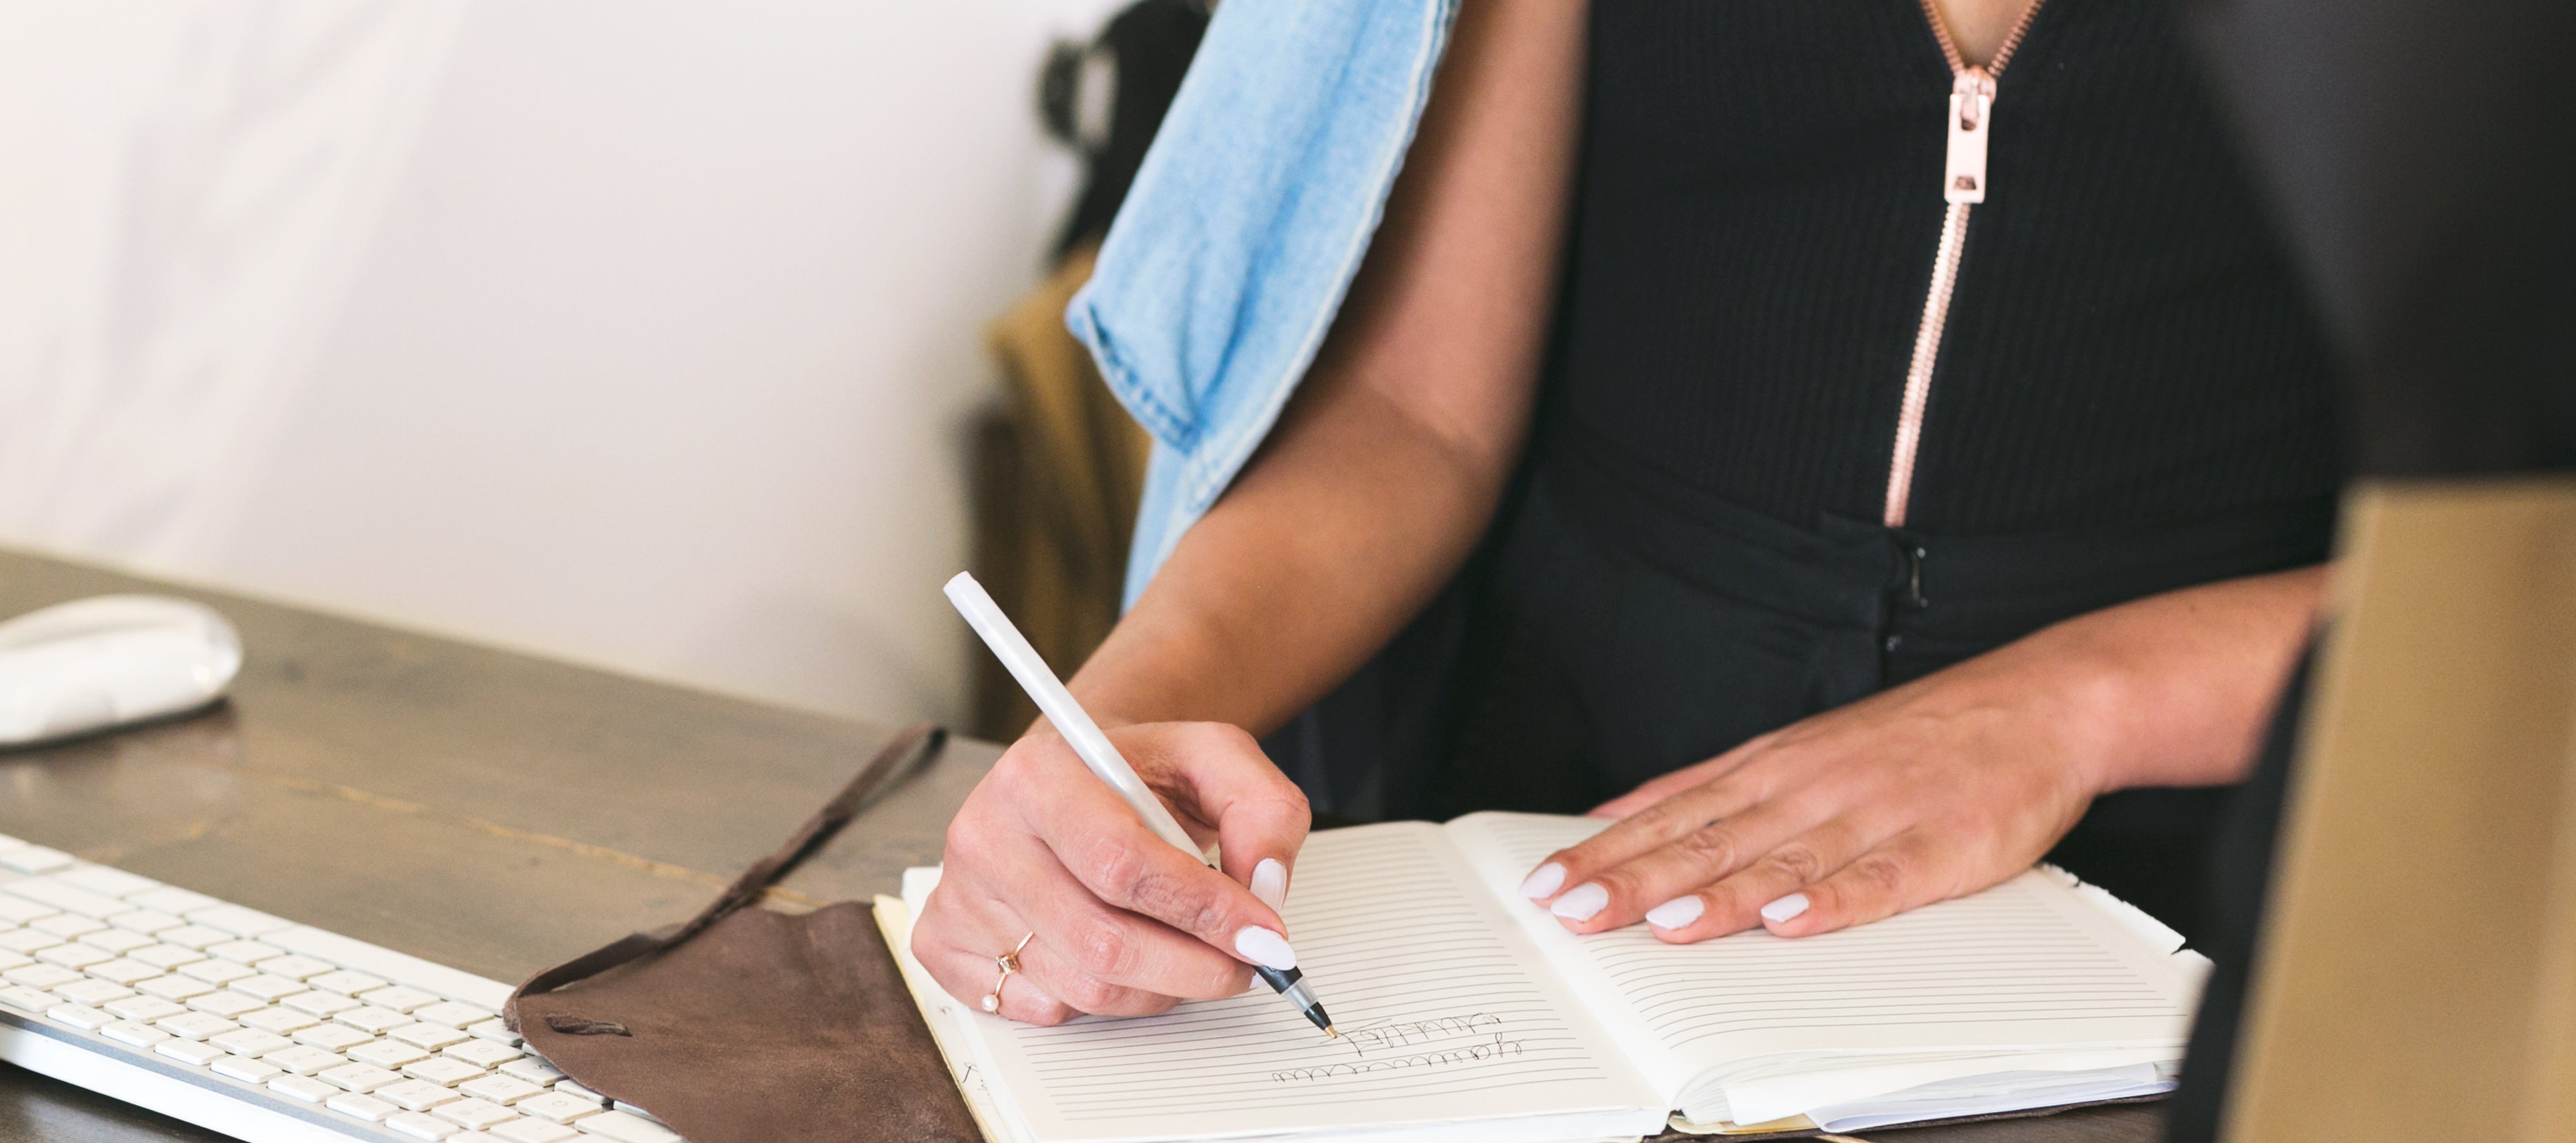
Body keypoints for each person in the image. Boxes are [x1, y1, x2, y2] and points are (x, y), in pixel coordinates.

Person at [913, 0, 2341, 1027]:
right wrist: (1112, 737)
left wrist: (2074, 707)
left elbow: (2527, 559)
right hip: (1550, 833)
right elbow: (1419, 417)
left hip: (2238, 863)